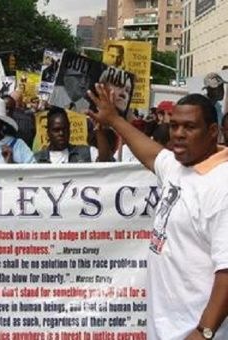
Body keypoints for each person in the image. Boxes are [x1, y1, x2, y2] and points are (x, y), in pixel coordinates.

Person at [88, 84, 228, 339]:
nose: (179, 134)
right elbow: (150, 153)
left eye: (189, 127)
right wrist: (113, 119)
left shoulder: (222, 184)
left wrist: (203, 332)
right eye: (174, 126)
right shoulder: (178, 166)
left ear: (212, 132)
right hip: (164, 330)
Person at [34, 107, 112, 163]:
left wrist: (98, 129)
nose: (61, 133)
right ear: (48, 132)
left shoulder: (86, 153)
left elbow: (106, 162)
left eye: (64, 129)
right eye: (56, 130)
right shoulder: (36, 160)